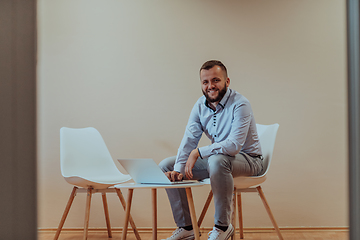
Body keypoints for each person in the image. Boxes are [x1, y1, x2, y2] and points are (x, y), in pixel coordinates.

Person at [159, 60, 263, 240]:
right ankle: (187, 227)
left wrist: (198, 152)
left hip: (249, 160)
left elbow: (234, 145)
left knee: (216, 160)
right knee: (167, 165)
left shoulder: (240, 104)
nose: (210, 86)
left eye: (216, 80)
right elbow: (189, 139)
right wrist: (178, 169)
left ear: (227, 81)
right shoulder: (200, 105)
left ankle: (223, 227)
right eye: (205, 82)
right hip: (220, 160)